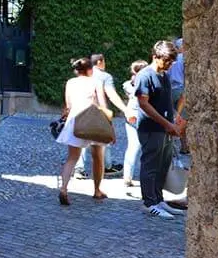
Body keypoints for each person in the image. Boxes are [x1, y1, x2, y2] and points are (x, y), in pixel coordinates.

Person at [134, 40, 185, 220]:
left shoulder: (164, 75)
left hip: (164, 127)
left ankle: (158, 199)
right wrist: (166, 123)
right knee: (150, 165)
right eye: (167, 61)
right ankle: (149, 203)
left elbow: (165, 101)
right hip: (150, 128)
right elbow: (144, 105)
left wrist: (173, 116)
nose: (170, 65)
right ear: (155, 57)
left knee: (162, 164)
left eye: (172, 62)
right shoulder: (145, 76)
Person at [55, 56, 111, 205]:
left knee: (72, 158)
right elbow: (102, 105)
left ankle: (63, 188)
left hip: (75, 120)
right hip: (93, 120)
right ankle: (97, 190)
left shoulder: (70, 82)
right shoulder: (95, 82)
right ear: (90, 70)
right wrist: (109, 125)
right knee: (98, 157)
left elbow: (68, 105)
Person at [80, 53, 132, 178]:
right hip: (97, 111)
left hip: (82, 110)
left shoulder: (84, 74)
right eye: (104, 61)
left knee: (81, 140)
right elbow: (111, 94)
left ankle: (79, 169)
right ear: (99, 62)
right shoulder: (104, 76)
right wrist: (125, 109)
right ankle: (107, 166)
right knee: (104, 138)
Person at [122, 60, 149, 193]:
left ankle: (127, 176)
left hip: (130, 116)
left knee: (132, 147)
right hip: (142, 116)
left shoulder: (128, 84)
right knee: (146, 148)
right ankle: (147, 178)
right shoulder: (145, 82)